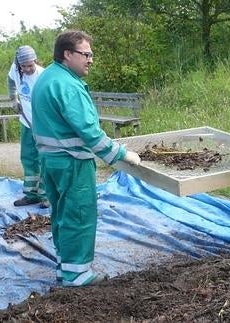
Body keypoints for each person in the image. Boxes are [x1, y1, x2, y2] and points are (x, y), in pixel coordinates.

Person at [31, 30, 141, 287]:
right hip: (72, 163)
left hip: (51, 162)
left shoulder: (48, 76)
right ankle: (77, 275)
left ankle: (65, 267)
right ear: (67, 54)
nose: (90, 59)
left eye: (91, 54)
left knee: (61, 216)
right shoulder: (68, 85)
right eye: (86, 54)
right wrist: (122, 155)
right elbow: (90, 133)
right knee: (78, 216)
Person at [7, 45, 49, 208]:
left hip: (42, 125)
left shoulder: (43, 75)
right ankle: (32, 194)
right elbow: (10, 80)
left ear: (35, 61)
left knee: (44, 159)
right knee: (28, 158)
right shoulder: (16, 70)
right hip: (26, 122)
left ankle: (46, 195)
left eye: (30, 65)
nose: (27, 69)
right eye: (24, 66)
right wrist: (13, 98)